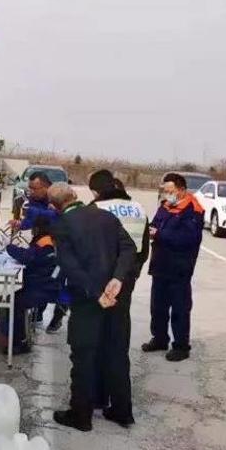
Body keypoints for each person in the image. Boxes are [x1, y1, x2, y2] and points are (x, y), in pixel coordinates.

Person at [48, 182, 137, 432]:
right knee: (116, 352)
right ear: (75, 195)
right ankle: (122, 411)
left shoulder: (62, 225)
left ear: (54, 206)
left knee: (84, 356)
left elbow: (70, 267)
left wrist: (97, 293)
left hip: (88, 301)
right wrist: (117, 278)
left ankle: (81, 415)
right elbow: (129, 248)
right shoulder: (106, 216)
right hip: (116, 297)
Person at [88, 170, 150, 410]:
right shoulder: (138, 209)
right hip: (125, 282)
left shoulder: (96, 208)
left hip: (100, 284)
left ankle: (98, 397)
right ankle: (122, 407)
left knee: (96, 341)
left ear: (96, 190)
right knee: (118, 342)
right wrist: (128, 277)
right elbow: (143, 250)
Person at [143, 173, 205, 362]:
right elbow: (155, 224)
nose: (167, 194)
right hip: (160, 264)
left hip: (179, 267)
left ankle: (181, 346)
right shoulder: (165, 206)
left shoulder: (193, 210)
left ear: (181, 190)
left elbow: (188, 239)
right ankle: (159, 338)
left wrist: (159, 234)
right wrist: (150, 230)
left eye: (170, 191)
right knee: (157, 307)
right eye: (165, 191)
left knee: (180, 308)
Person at [4, 216, 61, 355]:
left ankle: (20, 343)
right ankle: (19, 335)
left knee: (14, 302)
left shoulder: (44, 243)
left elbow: (26, 257)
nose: (31, 231)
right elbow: (31, 255)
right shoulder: (49, 240)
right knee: (15, 298)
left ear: (37, 229)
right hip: (45, 284)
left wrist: (9, 246)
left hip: (44, 288)